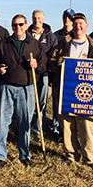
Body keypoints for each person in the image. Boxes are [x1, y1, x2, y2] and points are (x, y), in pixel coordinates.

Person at [50, 13, 93, 170]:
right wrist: (57, 64)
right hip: (66, 93)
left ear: (87, 26)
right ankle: (70, 155)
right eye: (75, 24)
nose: (78, 26)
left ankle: (89, 158)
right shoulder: (63, 44)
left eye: (81, 23)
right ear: (72, 26)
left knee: (87, 127)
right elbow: (51, 64)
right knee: (67, 126)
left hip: (87, 95)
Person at [0, 14, 47, 168]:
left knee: (24, 122)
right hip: (6, 86)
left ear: (26, 25)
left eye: (21, 25)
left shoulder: (34, 44)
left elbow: (44, 65)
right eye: (15, 25)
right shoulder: (4, 43)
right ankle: (0, 156)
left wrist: (37, 65)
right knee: (3, 122)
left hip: (27, 87)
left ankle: (24, 154)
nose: (18, 28)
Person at [27, 9, 57, 140]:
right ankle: (25, 127)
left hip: (43, 74)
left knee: (42, 102)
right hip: (27, 74)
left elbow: (53, 55)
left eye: (39, 18)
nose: (36, 20)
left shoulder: (51, 36)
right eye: (34, 18)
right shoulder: (27, 33)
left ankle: (39, 128)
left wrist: (42, 65)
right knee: (27, 102)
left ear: (44, 19)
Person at [50, 8, 76, 137]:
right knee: (56, 103)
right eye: (65, 17)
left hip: (74, 78)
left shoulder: (77, 34)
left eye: (70, 18)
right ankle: (56, 127)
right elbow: (52, 56)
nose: (67, 20)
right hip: (59, 76)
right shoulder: (56, 35)